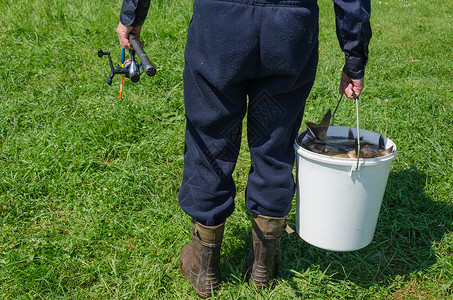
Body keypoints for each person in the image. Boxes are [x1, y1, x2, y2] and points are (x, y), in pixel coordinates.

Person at [117, 0, 371, 298]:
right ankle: (262, 270)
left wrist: (131, 16)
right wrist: (354, 58)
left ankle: (205, 270)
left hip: (220, 24)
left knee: (209, 142)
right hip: (290, 28)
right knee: (275, 144)